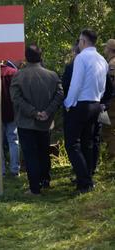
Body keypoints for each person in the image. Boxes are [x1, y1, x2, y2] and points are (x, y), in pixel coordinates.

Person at [10, 44, 63, 195]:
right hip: (45, 122)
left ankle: (35, 188)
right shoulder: (52, 75)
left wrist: (34, 113)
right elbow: (59, 95)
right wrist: (47, 112)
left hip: (26, 122)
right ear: (41, 57)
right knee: (43, 152)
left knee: (30, 155)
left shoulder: (18, 76)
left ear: (26, 58)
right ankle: (45, 181)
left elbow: (16, 99)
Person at [64, 29, 109, 193]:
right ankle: (87, 178)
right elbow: (103, 86)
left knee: (72, 144)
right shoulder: (102, 60)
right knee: (88, 143)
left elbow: (76, 84)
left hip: (81, 104)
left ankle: (85, 181)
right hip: (96, 104)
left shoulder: (81, 58)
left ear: (83, 41)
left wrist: (68, 103)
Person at [0, 61, 20, 176]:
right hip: (12, 112)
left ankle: (1, 170)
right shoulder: (13, 72)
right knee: (14, 141)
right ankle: (15, 169)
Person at [102, 39, 115, 158]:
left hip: (112, 101)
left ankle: (112, 154)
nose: (104, 49)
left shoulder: (112, 64)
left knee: (108, 128)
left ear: (110, 49)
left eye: (106, 47)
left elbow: (111, 84)